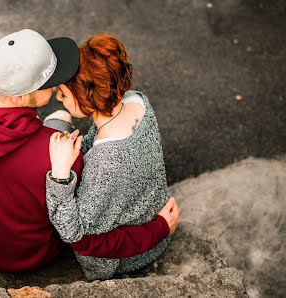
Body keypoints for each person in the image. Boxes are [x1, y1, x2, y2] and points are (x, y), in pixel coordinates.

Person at [0, 29, 178, 273]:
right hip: (29, 258)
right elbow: (74, 230)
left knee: (58, 120)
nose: (58, 84)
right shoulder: (54, 156)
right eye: (50, 80)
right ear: (18, 98)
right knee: (59, 124)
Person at [46, 33, 180, 280]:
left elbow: (72, 230)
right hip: (150, 216)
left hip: (123, 257)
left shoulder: (107, 163)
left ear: (86, 95)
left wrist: (60, 177)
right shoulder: (136, 100)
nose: (58, 97)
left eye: (63, 94)